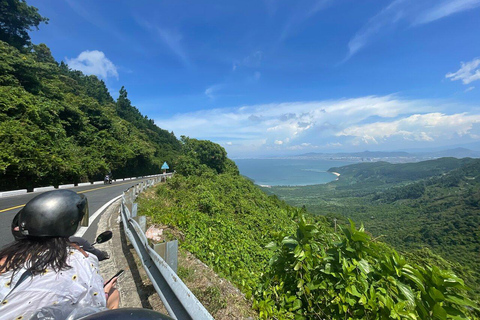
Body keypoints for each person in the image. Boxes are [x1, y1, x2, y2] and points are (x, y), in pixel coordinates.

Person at [0, 190, 119, 320]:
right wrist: (105, 291)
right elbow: (95, 304)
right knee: (113, 294)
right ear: (70, 222)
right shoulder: (77, 259)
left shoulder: (8, 256)